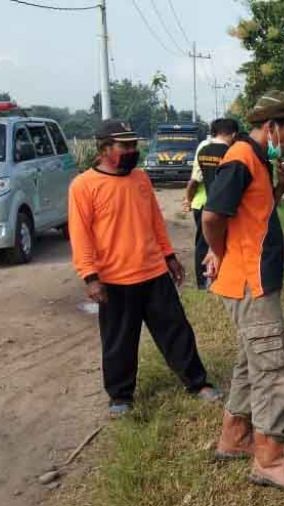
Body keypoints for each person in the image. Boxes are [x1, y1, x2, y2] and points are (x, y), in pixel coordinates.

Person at [201, 91, 284, 493]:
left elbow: (256, 214)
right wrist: (219, 253)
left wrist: (281, 183)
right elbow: (213, 216)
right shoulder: (241, 159)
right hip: (250, 281)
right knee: (273, 366)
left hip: (250, 278)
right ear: (271, 127)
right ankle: (270, 458)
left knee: (252, 360)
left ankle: (234, 436)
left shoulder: (257, 162)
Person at [68, 119, 220, 417]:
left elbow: (154, 221)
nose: (132, 150)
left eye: (133, 144)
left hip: (153, 273)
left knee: (176, 331)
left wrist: (169, 256)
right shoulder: (84, 186)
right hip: (114, 279)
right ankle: (121, 397)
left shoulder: (140, 179)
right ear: (104, 149)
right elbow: (80, 235)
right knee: (119, 342)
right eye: (125, 145)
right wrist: (90, 277)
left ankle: (197, 383)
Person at [183, 118, 240, 289]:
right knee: (220, 243)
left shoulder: (203, 151)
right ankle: (218, 277)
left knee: (202, 243)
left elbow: (194, 180)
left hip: (204, 204)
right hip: (222, 205)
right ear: (234, 134)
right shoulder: (231, 152)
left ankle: (203, 282)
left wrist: (188, 199)